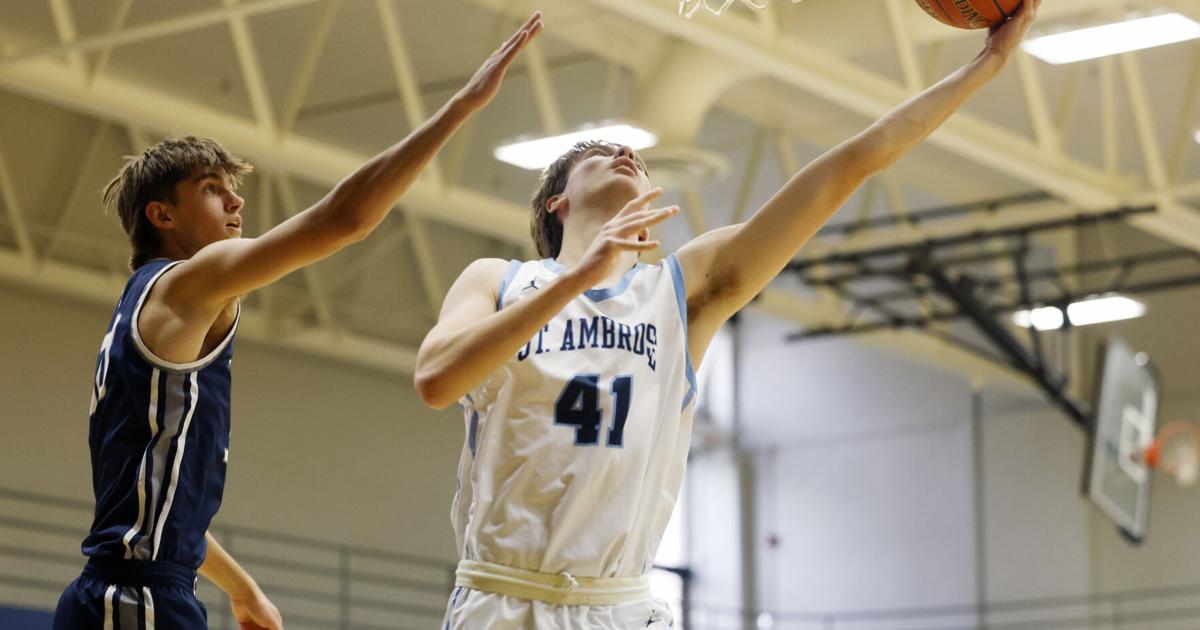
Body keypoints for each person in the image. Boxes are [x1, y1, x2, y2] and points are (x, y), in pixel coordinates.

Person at [415, 2, 1042, 628]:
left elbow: (848, 167)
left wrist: (987, 65)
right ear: (558, 200)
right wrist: (576, 279)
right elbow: (436, 379)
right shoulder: (499, 281)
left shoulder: (681, 291)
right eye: (600, 153)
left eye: (633, 152)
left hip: (619, 608)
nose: (626, 154)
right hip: (501, 599)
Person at [53, 12, 545, 629]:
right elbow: (343, 221)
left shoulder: (147, 308)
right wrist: (460, 109)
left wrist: (242, 587)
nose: (235, 202)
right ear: (163, 215)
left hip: (131, 591)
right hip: (136, 600)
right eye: (211, 189)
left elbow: (160, 512)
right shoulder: (186, 282)